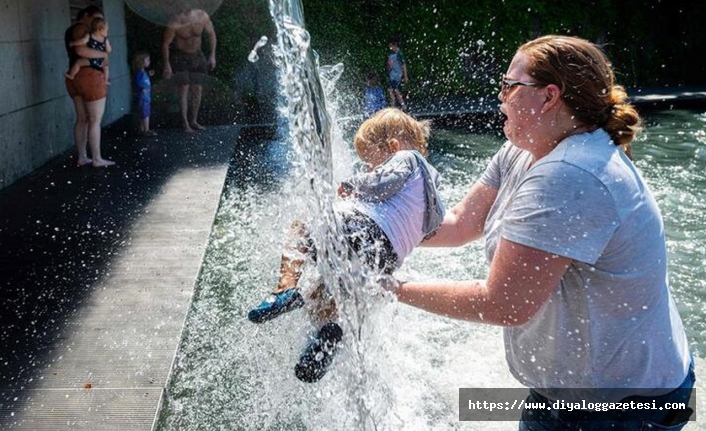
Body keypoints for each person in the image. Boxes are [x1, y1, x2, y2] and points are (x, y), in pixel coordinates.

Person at [383, 35, 694, 430]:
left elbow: (503, 304)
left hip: (624, 407)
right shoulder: (523, 148)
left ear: (549, 97)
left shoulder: (572, 174)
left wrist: (389, 287)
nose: (500, 97)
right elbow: (460, 222)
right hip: (574, 392)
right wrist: (375, 227)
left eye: (509, 86)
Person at [247, 108, 445, 383]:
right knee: (322, 292)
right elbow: (432, 226)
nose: (368, 169)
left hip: (361, 233)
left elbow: (385, 180)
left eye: (370, 163)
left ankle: (285, 288)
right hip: (382, 260)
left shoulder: (405, 158)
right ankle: (329, 332)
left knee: (302, 224)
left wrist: (354, 184)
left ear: (393, 146)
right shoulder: (433, 190)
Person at [64, 5, 115, 167]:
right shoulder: (82, 29)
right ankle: (97, 158)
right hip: (90, 76)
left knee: (82, 119)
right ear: (86, 15)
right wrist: (103, 55)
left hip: (76, 77)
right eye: (95, 18)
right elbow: (81, 51)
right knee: (94, 120)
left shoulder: (72, 30)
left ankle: (82, 156)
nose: (97, 23)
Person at [161, 4, 217, 133]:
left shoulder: (202, 16)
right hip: (181, 57)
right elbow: (166, 43)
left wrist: (212, 55)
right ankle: (185, 123)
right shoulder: (176, 21)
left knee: (197, 89)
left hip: (198, 56)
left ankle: (194, 120)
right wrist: (167, 64)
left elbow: (212, 35)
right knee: (184, 88)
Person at [65, 17, 112, 85]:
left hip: (91, 60)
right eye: (106, 30)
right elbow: (109, 50)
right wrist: (107, 49)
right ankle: (105, 80)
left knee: (78, 63)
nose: (107, 32)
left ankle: (72, 75)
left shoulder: (89, 36)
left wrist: (73, 43)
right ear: (100, 30)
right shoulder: (105, 40)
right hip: (101, 61)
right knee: (106, 68)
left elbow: (82, 41)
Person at [132, 52, 156, 137]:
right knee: (145, 114)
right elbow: (139, 84)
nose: (149, 62)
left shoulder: (143, 72)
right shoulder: (140, 73)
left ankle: (142, 129)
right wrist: (143, 89)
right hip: (143, 97)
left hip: (145, 97)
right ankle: (146, 130)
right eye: (147, 60)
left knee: (143, 113)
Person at [387, 37, 408, 111]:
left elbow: (403, 65)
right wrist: (389, 66)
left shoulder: (399, 54)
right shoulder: (391, 54)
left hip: (397, 75)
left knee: (394, 89)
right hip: (392, 75)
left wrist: (405, 76)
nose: (390, 48)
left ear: (395, 45)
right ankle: (394, 105)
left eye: (391, 46)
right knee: (391, 90)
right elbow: (389, 65)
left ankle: (398, 105)